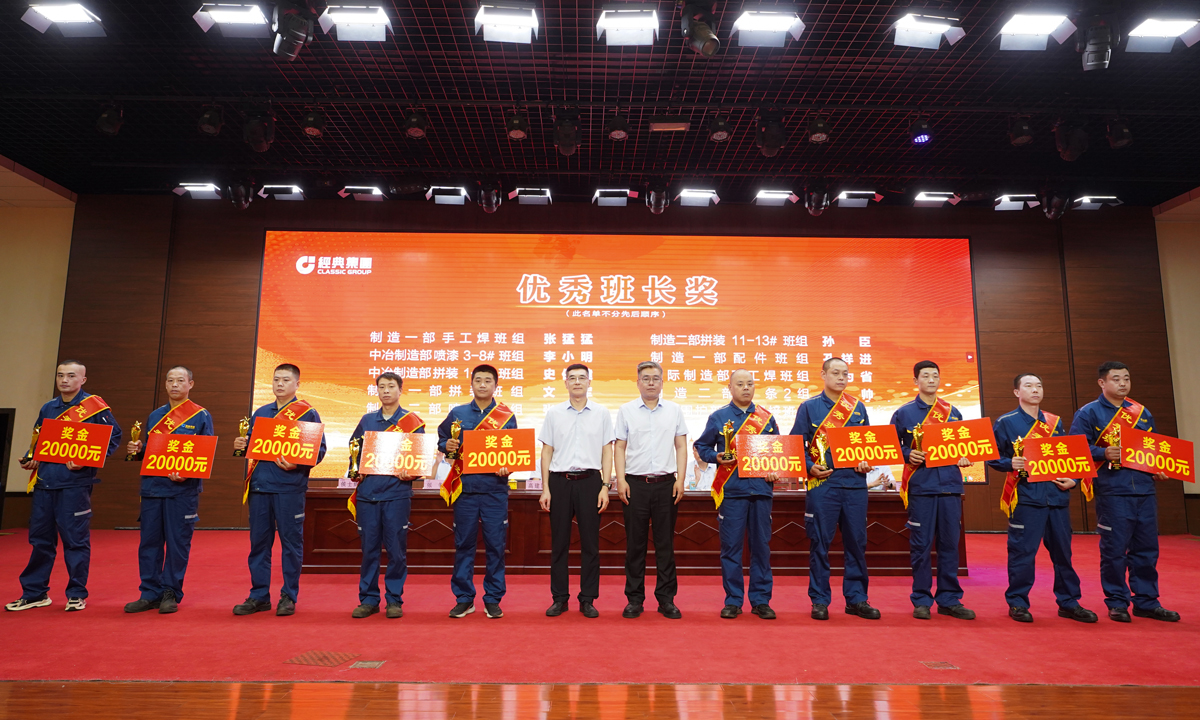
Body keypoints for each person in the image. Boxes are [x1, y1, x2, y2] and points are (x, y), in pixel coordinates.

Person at [6, 360, 122, 613]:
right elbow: (39, 441)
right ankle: (35, 593)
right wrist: (31, 458)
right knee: (40, 541)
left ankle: (76, 593)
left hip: (74, 486)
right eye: (60, 375)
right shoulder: (49, 408)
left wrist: (87, 459)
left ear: (83, 380)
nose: (64, 380)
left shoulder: (94, 407)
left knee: (75, 541)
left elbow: (114, 436)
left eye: (71, 375)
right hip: (45, 484)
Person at [1069, 361, 1180, 623]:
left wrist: (1158, 468)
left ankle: (1146, 602)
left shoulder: (1141, 412)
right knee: (1114, 551)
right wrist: (1102, 452)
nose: (1122, 384)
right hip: (1113, 492)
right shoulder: (1088, 413)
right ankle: (1117, 602)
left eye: (1126, 379)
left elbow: (1153, 448)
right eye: (1116, 379)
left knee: (1147, 550)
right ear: (1102, 383)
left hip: (1144, 490)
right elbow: (1075, 448)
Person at [989, 373, 1097, 623]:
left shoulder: (1054, 422)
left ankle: (1069, 602)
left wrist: (1074, 479)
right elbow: (992, 457)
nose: (1035, 389)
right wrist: (1010, 463)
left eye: (1039, 385)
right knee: (1023, 553)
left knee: (1063, 554)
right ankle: (1018, 603)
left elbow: (1070, 456)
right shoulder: (1006, 422)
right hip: (1027, 498)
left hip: (1057, 498)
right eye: (1028, 386)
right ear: (1017, 392)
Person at [231, 363, 327, 617]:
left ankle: (288, 596)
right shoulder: (261, 412)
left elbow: (319, 450)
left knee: (291, 544)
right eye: (276, 380)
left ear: (297, 384)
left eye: (285, 380)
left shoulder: (307, 413)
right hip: (260, 487)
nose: (280, 384)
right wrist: (241, 445)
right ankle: (259, 595)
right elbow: (252, 446)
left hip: (289, 488)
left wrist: (297, 463)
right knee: (259, 544)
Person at [123, 366, 215, 615]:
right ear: (165, 384)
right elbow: (153, 452)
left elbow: (205, 454)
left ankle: (170, 592)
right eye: (170, 380)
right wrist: (138, 451)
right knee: (149, 543)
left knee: (177, 544)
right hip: (153, 489)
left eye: (180, 380)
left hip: (182, 492)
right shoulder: (155, 416)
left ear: (190, 384)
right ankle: (149, 593)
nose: (175, 385)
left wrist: (188, 473)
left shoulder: (200, 415)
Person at [791, 357, 877, 621]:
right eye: (836, 373)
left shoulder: (857, 408)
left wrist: (866, 462)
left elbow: (867, 445)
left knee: (857, 543)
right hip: (823, 485)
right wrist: (809, 467)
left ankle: (857, 599)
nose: (841, 378)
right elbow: (796, 444)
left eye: (845, 374)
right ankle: (819, 600)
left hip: (854, 485)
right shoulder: (809, 407)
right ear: (823, 375)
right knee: (820, 543)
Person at [891, 360, 975, 620]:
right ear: (915, 381)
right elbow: (892, 446)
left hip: (950, 486)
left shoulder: (953, 412)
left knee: (950, 545)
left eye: (935, 376)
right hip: (922, 487)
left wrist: (965, 457)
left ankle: (949, 600)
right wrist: (908, 454)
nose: (931, 380)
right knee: (921, 546)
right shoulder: (904, 413)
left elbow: (962, 446)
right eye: (925, 376)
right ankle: (921, 599)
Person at [694, 369, 780, 620]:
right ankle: (733, 600)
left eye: (750, 384)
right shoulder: (719, 416)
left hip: (761, 491)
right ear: (730, 388)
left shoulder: (766, 418)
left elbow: (778, 451)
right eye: (740, 384)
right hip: (732, 492)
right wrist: (716, 456)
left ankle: (761, 600)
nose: (745, 388)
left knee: (761, 548)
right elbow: (702, 446)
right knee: (731, 548)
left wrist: (775, 470)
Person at [438, 364, 518, 619]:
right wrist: (448, 445)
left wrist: (508, 467)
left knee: (496, 546)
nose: (483, 385)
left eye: (488, 381)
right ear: (471, 384)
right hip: (465, 490)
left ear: (496, 385)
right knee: (464, 545)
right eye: (478, 380)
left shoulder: (506, 415)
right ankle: (464, 598)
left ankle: (493, 598)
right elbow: (442, 439)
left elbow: (514, 451)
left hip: (495, 491)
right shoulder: (458, 413)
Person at [614, 360, 688, 619]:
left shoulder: (674, 410)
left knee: (665, 544)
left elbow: (681, 446)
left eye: (655, 378)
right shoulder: (626, 410)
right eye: (645, 378)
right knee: (635, 545)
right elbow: (619, 447)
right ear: (638, 382)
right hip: (635, 485)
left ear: (662, 382)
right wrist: (620, 479)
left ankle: (666, 599)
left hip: (667, 484)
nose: (651, 383)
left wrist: (680, 479)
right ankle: (634, 599)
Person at [346, 372, 424, 619]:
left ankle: (394, 599)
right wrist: (355, 470)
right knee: (369, 550)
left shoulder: (413, 422)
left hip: (397, 496)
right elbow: (354, 450)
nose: (386, 391)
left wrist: (411, 473)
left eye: (391, 386)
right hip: (368, 495)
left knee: (396, 551)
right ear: (377, 391)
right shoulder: (367, 420)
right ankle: (368, 600)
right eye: (382, 387)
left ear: (400, 390)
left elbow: (417, 459)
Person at [540, 363, 614, 618]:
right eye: (572, 378)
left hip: (590, 482)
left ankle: (588, 598)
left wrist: (605, 486)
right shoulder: (554, 413)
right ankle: (559, 598)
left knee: (590, 544)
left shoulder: (601, 413)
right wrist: (545, 488)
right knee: (559, 544)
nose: (577, 382)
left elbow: (607, 451)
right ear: (566, 383)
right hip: (559, 482)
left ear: (589, 382)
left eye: (582, 378)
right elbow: (547, 452)